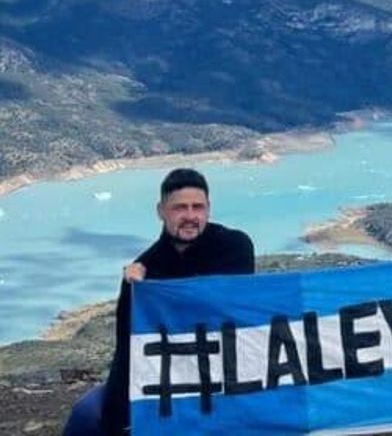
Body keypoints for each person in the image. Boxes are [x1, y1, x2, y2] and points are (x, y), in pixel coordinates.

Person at [64, 168, 255, 436]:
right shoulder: (143, 272)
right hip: (163, 378)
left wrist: (158, 285)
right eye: (179, 208)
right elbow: (127, 349)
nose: (190, 216)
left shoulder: (235, 246)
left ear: (208, 209)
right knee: (86, 416)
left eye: (197, 207)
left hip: (226, 375)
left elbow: (226, 305)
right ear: (161, 211)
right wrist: (118, 420)